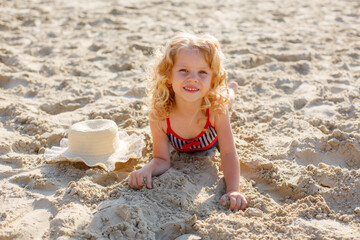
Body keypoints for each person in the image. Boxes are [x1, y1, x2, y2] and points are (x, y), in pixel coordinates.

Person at [128, 33, 248, 211]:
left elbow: (228, 153)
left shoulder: (216, 110)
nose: (193, 78)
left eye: (202, 72)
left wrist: (233, 190)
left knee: (226, 99)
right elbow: (161, 159)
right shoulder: (160, 114)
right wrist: (147, 169)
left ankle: (230, 90)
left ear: (213, 79)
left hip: (212, 107)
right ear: (168, 75)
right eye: (183, 70)